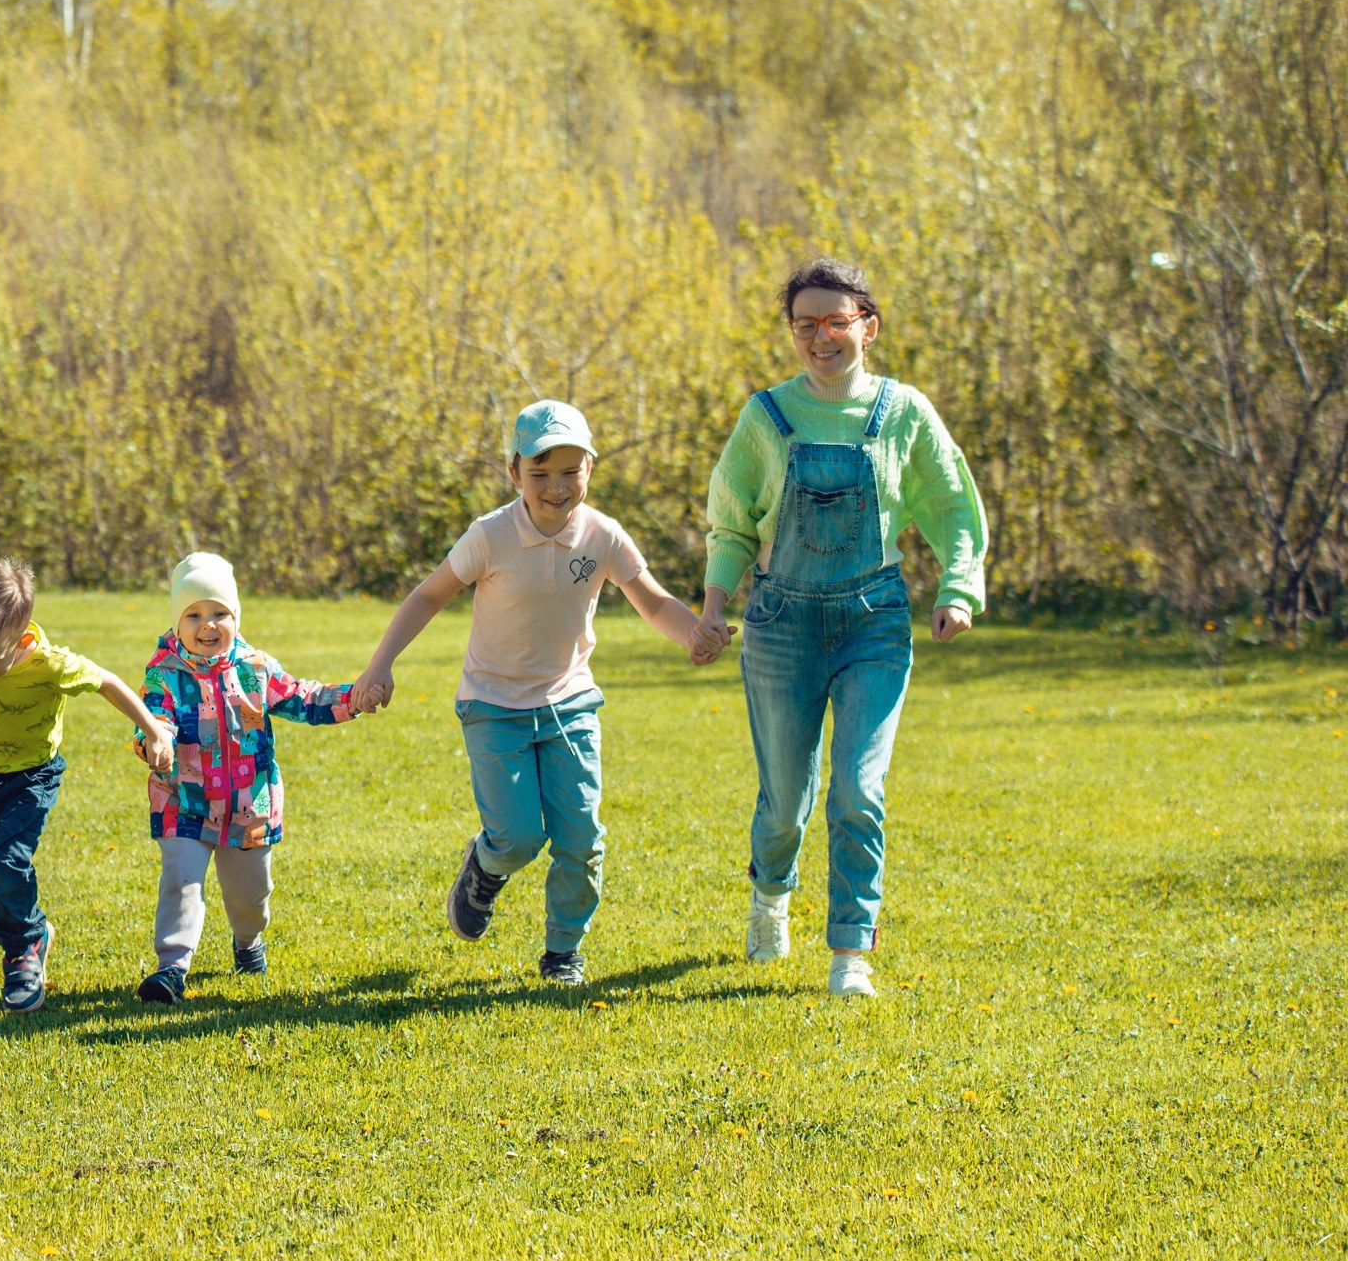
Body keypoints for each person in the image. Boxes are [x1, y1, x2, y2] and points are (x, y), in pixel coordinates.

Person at [691, 257, 988, 998]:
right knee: (784, 803)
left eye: (836, 322)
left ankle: (852, 952)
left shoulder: (904, 412)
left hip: (872, 622)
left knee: (858, 791)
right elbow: (731, 523)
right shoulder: (767, 416)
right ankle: (770, 899)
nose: (820, 337)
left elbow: (952, 503)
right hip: (780, 624)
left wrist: (959, 587)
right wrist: (715, 605)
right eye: (805, 325)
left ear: (868, 327)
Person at [352, 400, 715, 987]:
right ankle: (486, 864)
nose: (555, 486)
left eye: (570, 470)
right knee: (517, 837)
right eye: (540, 472)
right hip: (493, 706)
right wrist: (381, 664)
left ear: (590, 468)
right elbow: (428, 595)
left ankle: (562, 952)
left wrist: (693, 632)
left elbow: (651, 600)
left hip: (570, 703)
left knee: (582, 838)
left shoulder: (602, 535)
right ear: (514, 472)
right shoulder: (490, 535)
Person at [0, 558, 174, 1013]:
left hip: (29, 778)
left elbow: (106, 682)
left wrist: (154, 730)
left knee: (4, 864)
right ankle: (28, 934)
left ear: (21, 639)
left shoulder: (50, 665)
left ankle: (24, 949)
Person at [132, 553, 365, 1005]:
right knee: (182, 880)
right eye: (194, 615)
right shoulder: (163, 674)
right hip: (184, 801)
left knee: (250, 896)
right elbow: (153, 719)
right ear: (177, 622)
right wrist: (153, 742)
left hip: (248, 806)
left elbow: (303, 698)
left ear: (236, 617)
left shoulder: (255, 668)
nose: (208, 624)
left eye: (220, 613)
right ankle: (172, 968)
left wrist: (352, 699)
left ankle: (248, 940)